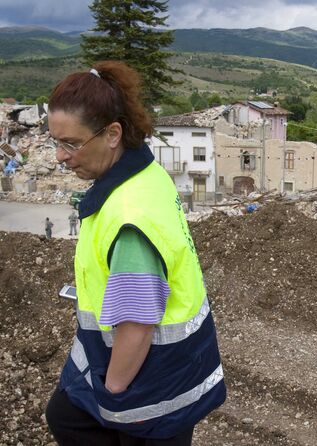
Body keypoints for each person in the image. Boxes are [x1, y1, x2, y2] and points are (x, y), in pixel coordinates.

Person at [44, 62, 226, 445]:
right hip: (174, 368)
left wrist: (113, 392)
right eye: (55, 142)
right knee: (63, 414)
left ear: (113, 134)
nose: (61, 156)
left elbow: (136, 326)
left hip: (151, 387)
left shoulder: (130, 222)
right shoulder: (145, 174)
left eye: (71, 144)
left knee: (68, 418)